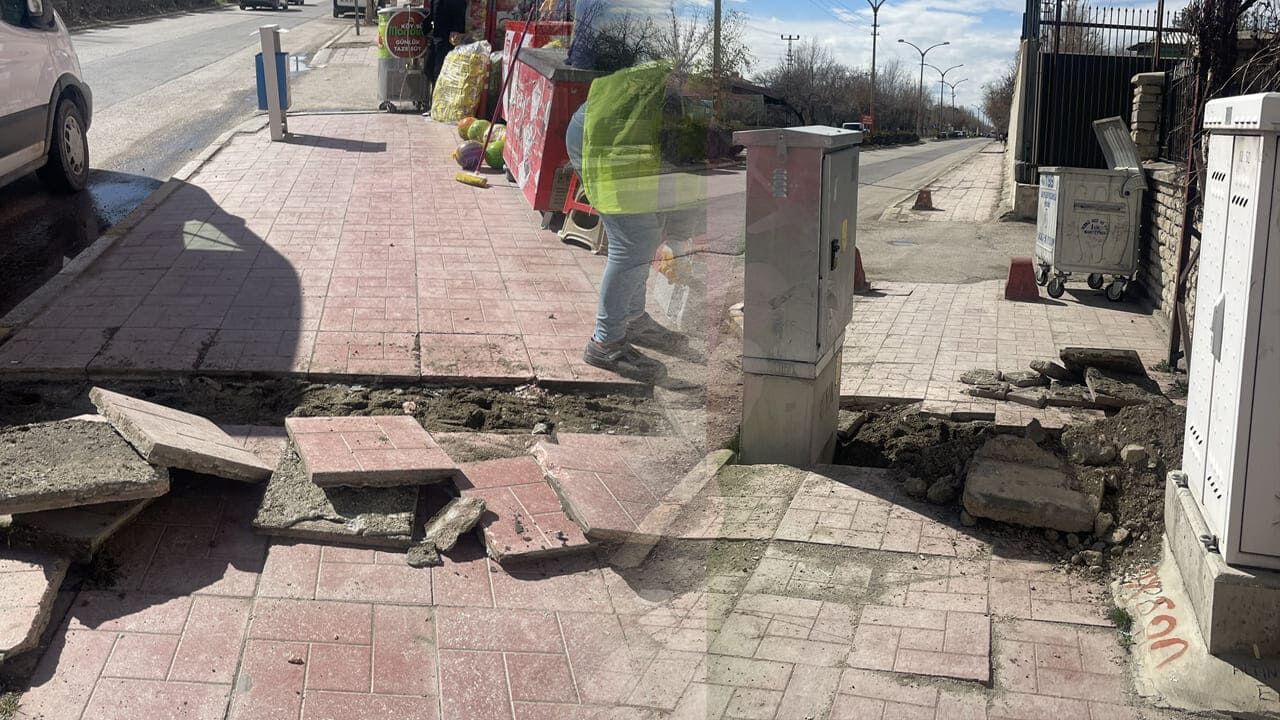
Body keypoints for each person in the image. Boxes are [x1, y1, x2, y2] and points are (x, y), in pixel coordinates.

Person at [563, 0, 700, 382]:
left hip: (622, 136)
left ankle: (632, 319)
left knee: (646, 232)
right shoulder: (635, 18)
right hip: (608, 139)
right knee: (634, 242)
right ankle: (605, 343)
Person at [425, 0, 468, 88]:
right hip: (435, 35)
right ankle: (436, 92)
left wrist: (457, 30)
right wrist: (425, 27)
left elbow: (460, 6)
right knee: (428, 68)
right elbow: (433, 11)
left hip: (447, 37)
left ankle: (437, 98)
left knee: (439, 71)